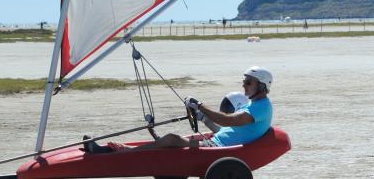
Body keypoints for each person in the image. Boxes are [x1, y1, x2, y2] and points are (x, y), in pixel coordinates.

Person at [84, 66, 273, 152]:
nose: (244, 85)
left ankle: (121, 152)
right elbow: (226, 129)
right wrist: (202, 117)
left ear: (262, 86)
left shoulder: (262, 107)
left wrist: (199, 105)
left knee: (171, 139)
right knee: (167, 142)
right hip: (216, 143)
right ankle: (114, 150)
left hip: (219, 149)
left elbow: (227, 121)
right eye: (244, 81)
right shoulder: (252, 104)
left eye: (248, 82)